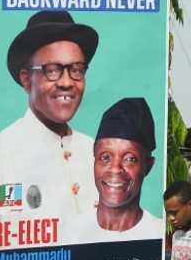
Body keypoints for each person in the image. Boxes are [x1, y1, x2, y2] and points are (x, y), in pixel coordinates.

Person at [0, 10, 100, 232]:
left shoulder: (96, 152)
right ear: (27, 80)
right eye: (52, 71)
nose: (67, 82)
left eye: (76, 70)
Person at [59, 98, 162, 243]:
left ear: (148, 166)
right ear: (94, 161)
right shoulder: (68, 236)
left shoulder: (158, 235)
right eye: (105, 157)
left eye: (130, 158)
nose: (115, 169)